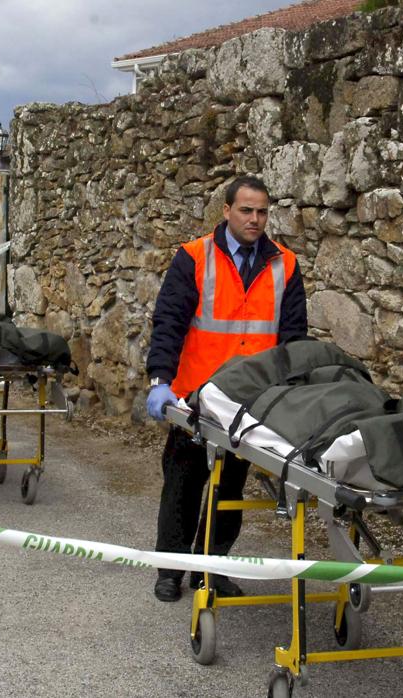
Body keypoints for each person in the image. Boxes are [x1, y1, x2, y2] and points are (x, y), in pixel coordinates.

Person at [145, 175, 308, 602]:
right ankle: (172, 570)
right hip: (194, 398)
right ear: (227, 211)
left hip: (249, 405)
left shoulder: (285, 265)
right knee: (183, 484)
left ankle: (210, 568)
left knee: (230, 491)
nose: (255, 220)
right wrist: (160, 381)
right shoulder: (194, 257)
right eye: (246, 211)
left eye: (262, 212)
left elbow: (294, 339)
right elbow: (169, 324)